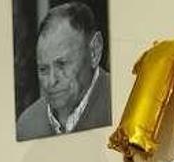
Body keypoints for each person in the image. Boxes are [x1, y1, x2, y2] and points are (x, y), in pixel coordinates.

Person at [15, 1, 111, 141]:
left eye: (62, 64)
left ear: (94, 52)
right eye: (43, 69)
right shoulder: (28, 126)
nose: (51, 81)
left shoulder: (120, 101)